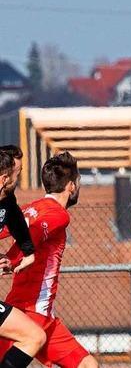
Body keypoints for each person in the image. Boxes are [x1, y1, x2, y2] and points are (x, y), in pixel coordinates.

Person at [0, 151, 98, 368]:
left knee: (87, 364)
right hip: (30, 312)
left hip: (43, 315)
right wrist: (11, 259)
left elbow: (9, 228)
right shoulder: (59, 215)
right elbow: (32, 238)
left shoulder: (31, 208)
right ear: (71, 186)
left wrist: (9, 258)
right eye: (78, 182)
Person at [0, 145, 47, 368]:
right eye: (17, 173)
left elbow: (16, 220)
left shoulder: (6, 200)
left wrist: (28, 252)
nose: (19, 177)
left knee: (33, 336)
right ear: (3, 178)